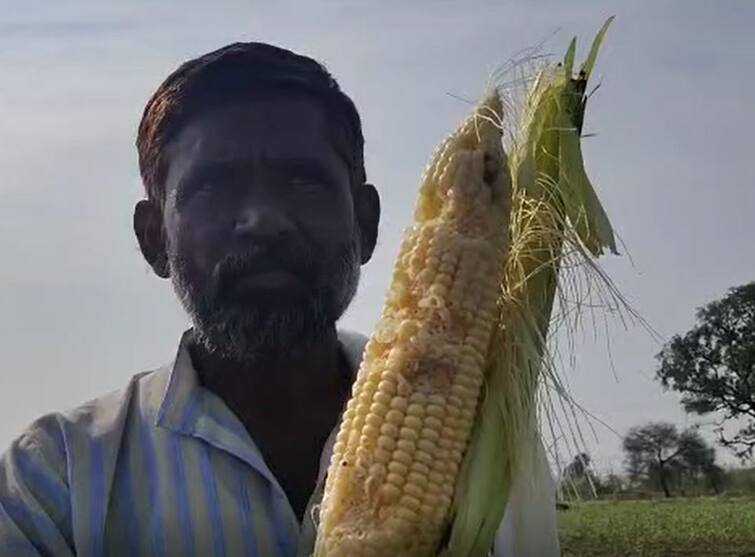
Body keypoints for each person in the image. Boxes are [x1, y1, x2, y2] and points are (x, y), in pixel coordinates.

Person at [0, 42, 558, 557]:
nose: (263, 222)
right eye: (213, 187)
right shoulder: (53, 483)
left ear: (365, 224)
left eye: (304, 182)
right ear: (153, 239)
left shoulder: (493, 443)